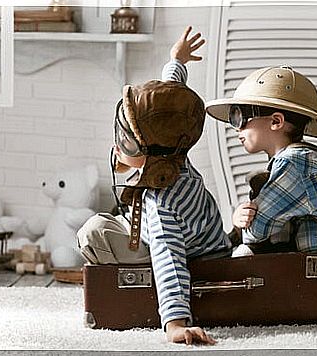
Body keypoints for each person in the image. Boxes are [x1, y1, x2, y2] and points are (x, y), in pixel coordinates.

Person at [78, 27, 231, 345]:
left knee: (93, 231)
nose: (118, 146)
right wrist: (177, 60)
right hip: (192, 234)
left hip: (191, 252)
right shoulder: (175, 151)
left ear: (151, 152)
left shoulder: (162, 204)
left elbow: (168, 257)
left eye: (127, 142)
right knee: (109, 221)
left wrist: (175, 323)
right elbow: (171, 98)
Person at [203, 65, 317, 256]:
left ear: (276, 121)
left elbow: (255, 232)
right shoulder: (302, 158)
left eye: (240, 117)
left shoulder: (294, 163)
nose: (237, 128)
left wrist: (241, 220)